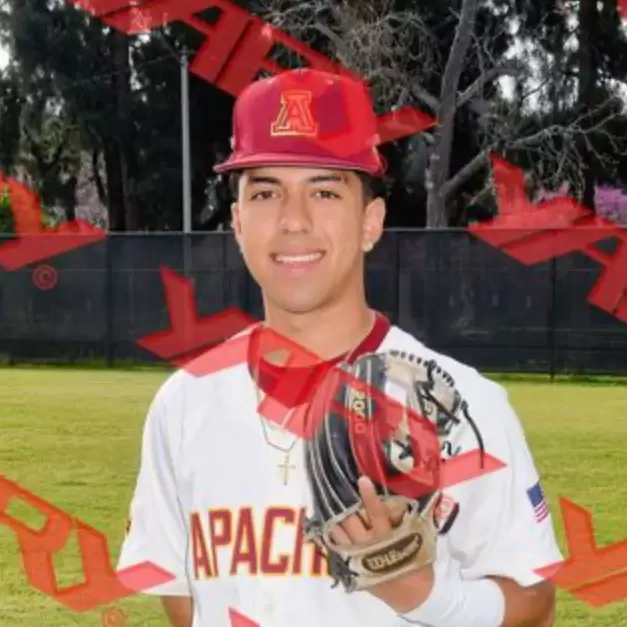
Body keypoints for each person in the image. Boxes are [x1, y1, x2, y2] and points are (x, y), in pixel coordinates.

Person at [117, 68, 563, 627]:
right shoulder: (184, 404)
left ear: (370, 221)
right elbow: (185, 597)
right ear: (237, 221)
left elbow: (535, 606)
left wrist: (427, 596)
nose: (293, 220)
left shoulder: (459, 403)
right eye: (266, 192)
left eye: (324, 191)